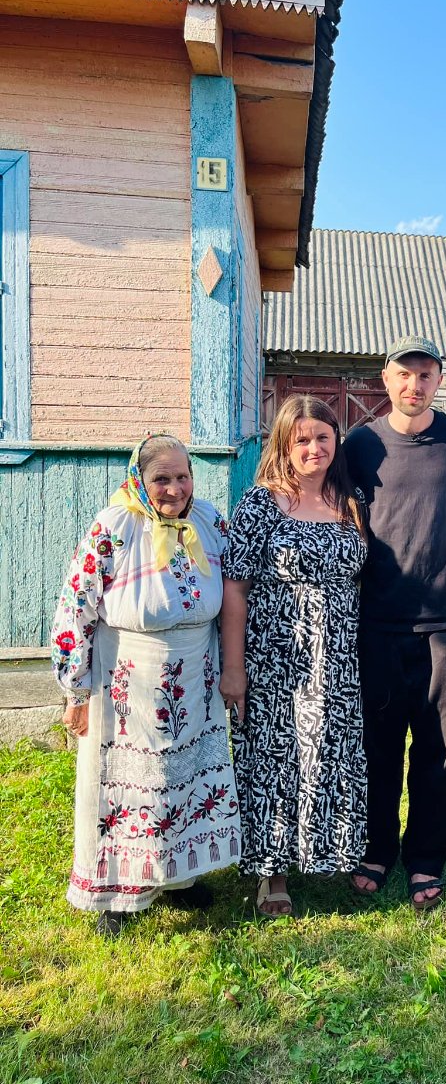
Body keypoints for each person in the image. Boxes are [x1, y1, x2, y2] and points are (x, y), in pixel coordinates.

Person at [51, 434, 240, 937]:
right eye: (162, 479)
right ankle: (118, 891)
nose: (175, 488)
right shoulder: (114, 526)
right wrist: (75, 689)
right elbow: (76, 606)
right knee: (131, 786)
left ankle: (178, 877)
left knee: (183, 780)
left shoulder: (209, 522)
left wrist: (231, 667)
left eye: (183, 476)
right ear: (139, 479)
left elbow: (233, 593)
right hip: (127, 682)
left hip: (194, 680)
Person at [220, 396, 367, 917]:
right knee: (276, 761)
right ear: (283, 444)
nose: (313, 448)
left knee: (328, 754)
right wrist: (233, 668)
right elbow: (234, 587)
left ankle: (326, 851)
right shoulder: (261, 504)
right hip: (277, 658)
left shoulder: (350, 500)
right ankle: (272, 874)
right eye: (301, 439)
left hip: (337, 658)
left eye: (322, 437)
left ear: (336, 441)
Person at [343, 336, 446, 911]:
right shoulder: (361, 444)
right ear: (386, 378)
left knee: (439, 750)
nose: (414, 385)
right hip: (377, 620)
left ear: (438, 381)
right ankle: (376, 848)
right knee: (377, 745)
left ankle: (425, 857)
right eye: (404, 374)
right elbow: (329, 505)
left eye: (425, 375)